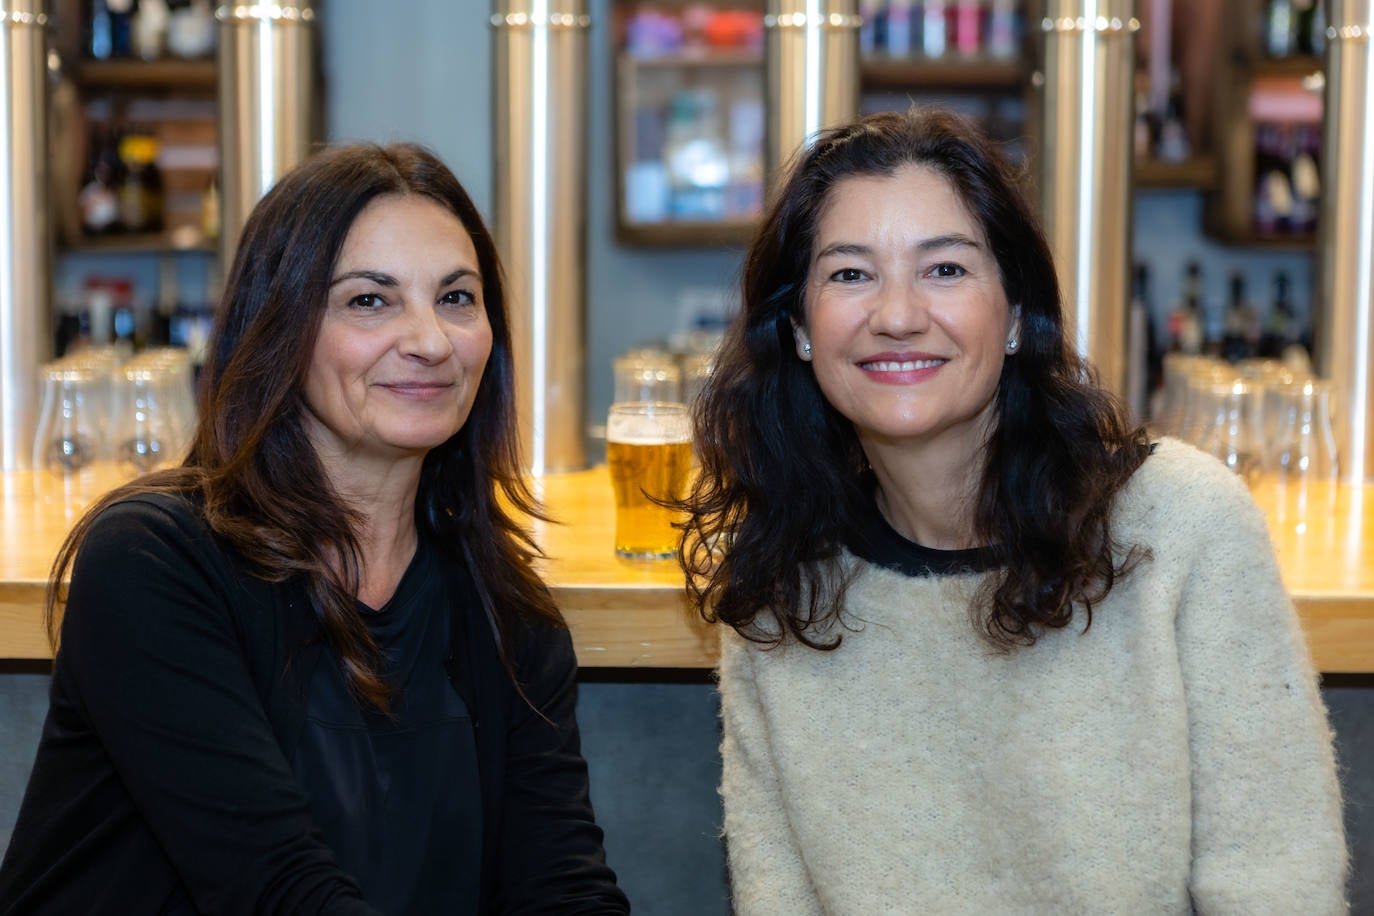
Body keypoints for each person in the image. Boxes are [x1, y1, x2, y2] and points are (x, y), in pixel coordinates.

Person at [679, 108, 1347, 914]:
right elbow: (776, 897)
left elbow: (1276, 886)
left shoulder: (1181, 526)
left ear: (1018, 316)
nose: (896, 314)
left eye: (946, 270)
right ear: (799, 329)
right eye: (850, 274)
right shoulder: (782, 584)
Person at [0, 143, 629, 915]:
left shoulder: (508, 615)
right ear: (281, 329)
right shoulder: (154, 560)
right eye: (370, 300)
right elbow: (279, 895)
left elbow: (562, 888)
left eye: (457, 298)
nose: (431, 340)